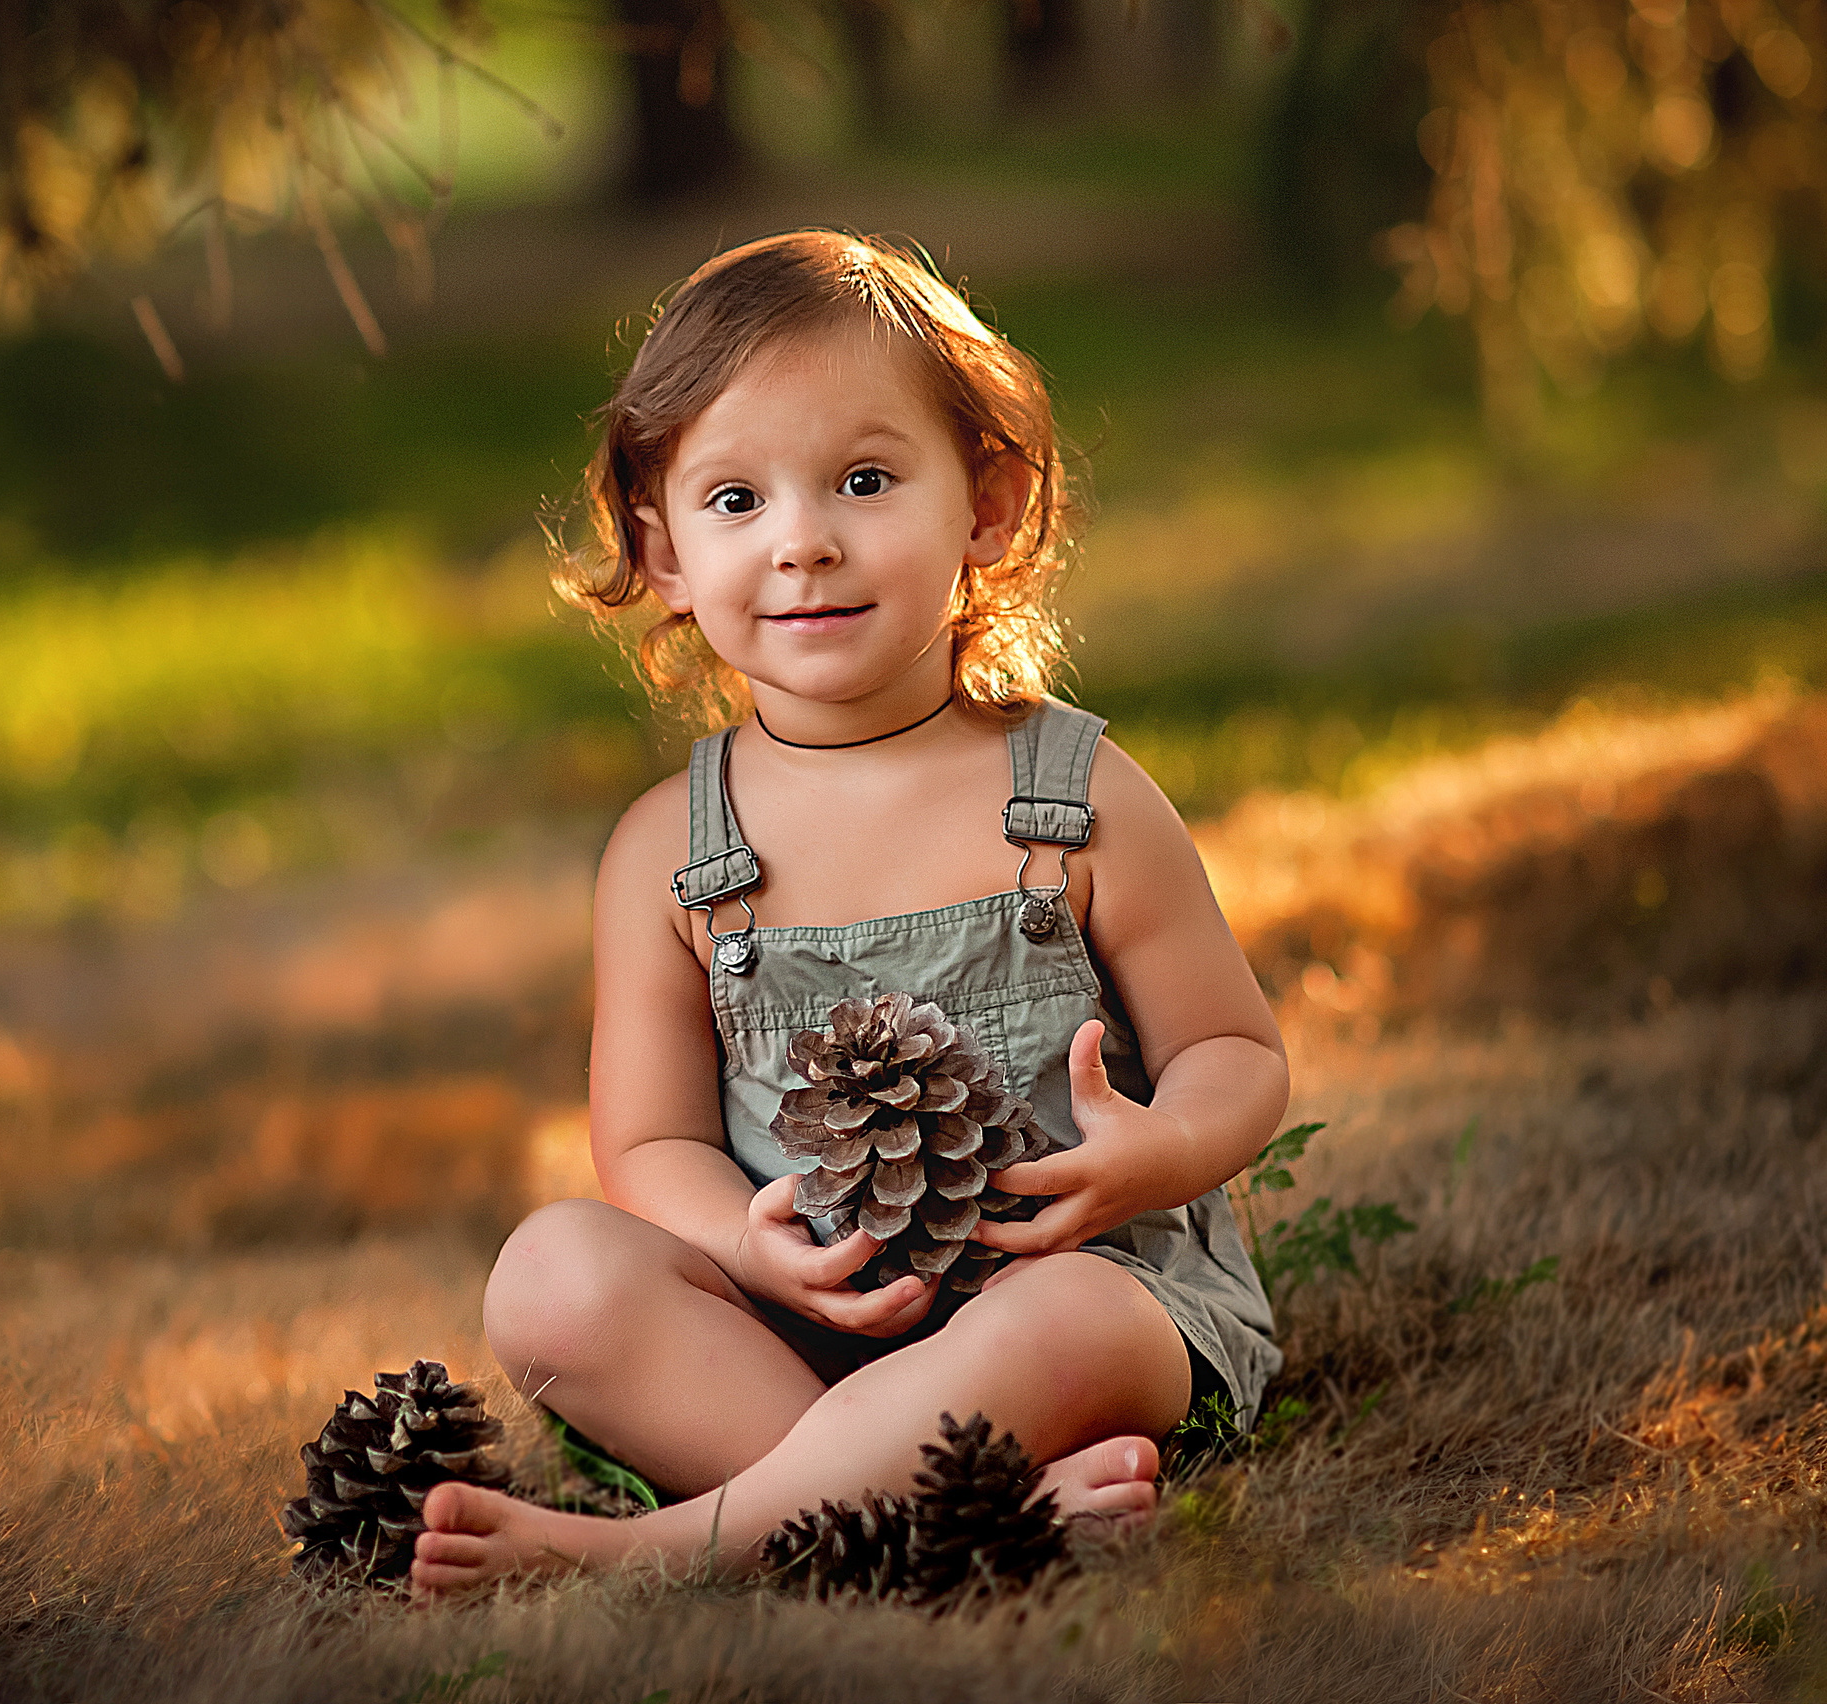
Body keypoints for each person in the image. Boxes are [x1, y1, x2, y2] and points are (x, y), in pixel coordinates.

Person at [410, 231, 1285, 1595]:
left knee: (1061, 1320)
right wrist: (734, 1240)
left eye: (865, 481)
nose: (804, 541)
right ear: (667, 553)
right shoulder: (667, 855)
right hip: (801, 1344)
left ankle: (661, 1555)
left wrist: (1152, 1154)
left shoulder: (1078, 794)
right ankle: (966, 1515)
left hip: (1069, 1313)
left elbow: (1241, 1056)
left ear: (985, 511)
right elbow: (647, 1143)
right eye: (737, 500)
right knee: (550, 1278)